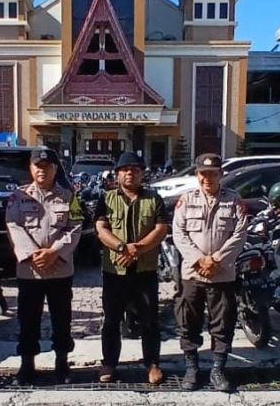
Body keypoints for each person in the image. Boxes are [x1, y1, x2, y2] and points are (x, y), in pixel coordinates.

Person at [6, 149, 83, 386]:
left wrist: (54, 253)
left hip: (60, 269)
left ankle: (62, 363)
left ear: (55, 169)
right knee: (28, 319)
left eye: (47, 166)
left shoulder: (69, 196)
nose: (42, 170)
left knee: (62, 319)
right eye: (37, 166)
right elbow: (13, 226)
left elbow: (75, 226)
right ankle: (27, 365)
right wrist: (34, 256)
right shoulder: (18, 197)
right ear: (31, 169)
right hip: (30, 271)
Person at [173, 153, 248, 392]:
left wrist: (216, 260)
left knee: (223, 322)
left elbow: (240, 234)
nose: (208, 178)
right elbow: (179, 233)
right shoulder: (186, 200)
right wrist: (199, 259)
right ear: (197, 175)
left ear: (221, 174)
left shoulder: (234, 201)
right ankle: (191, 368)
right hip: (192, 273)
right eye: (203, 174)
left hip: (222, 273)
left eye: (213, 173)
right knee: (187, 321)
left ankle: (217, 369)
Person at [94, 151, 168, 385]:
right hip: (115, 271)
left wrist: (137, 249)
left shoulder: (154, 199)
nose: (130, 174)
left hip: (144, 270)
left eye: (135, 170)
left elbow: (161, 229)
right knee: (111, 320)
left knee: (150, 320)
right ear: (117, 174)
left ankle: (152, 364)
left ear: (142, 174)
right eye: (125, 170)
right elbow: (101, 229)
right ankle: (109, 363)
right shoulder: (106, 198)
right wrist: (121, 247)